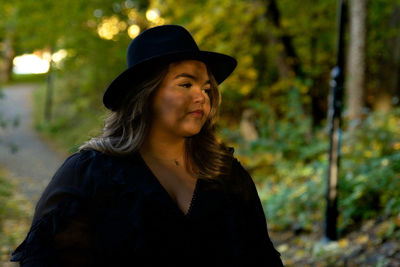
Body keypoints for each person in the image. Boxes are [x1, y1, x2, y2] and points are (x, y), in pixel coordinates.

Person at [11, 25, 283, 266]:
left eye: (206, 87)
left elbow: (261, 257)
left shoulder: (226, 175)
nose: (201, 96)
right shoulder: (90, 175)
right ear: (146, 93)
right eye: (186, 84)